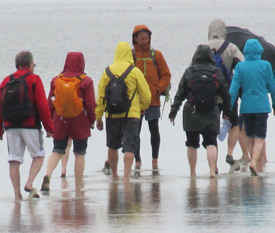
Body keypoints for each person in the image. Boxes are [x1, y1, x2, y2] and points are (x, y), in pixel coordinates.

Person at [0, 50, 54, 201]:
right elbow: (42, 106)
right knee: (38, 156)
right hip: (30, 124)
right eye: (34, 64)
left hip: (11, 126)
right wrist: (49, 128)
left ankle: (17, 195)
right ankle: (30, 183)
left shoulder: (6, 81)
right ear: (30, 64)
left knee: (14, 160)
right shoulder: (34, 79)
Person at [169, 44, 231, 179]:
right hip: (211, 111)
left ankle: (192, 172)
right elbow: (226, 94)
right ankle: (211, 171)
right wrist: (227, 112)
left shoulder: (190, 71)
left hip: (192, 112)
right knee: (211, 142)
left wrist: (173, 111)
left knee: (191, 144)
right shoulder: (216, 72)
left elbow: (180, 93)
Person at [95, 41, 152, 183]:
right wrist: (143, 106)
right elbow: (147, 95)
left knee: (112, 145)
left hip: (112, 114)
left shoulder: (107, 71)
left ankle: (115, 175)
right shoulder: (135, 71)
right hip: (131, 114)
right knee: (129, 146)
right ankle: (126, 176)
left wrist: (98, 117)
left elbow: (101, 97)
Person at [41, 52, 96, 196]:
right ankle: (78, 189)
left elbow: (50, 103)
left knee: (57, 150)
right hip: (80, 121)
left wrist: (51, 122)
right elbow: (90, 105)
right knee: (80, 153)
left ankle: (47, 174)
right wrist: (92, 120)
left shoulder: (56, 80)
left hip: (60, 120)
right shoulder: (86, 81)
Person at [229, 38, 275, 176]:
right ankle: (254, 163)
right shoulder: (266, 65)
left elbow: (233, 90)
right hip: (262, 107)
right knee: (260, 138)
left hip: (246, 108)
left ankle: (253, 161)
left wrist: (228, 107)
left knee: (250, 137)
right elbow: (273, 88)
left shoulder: (240, 66)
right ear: (260, 51)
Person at [130, 24, 171, 174]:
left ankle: (155, 160)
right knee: (136, 131)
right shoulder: (132, 55)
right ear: (134, 39)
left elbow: (166, 75)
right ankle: (137, 160)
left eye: (146, 38)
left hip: (153, 100)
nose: (144, 41)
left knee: (154, 130)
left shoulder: (156, 55)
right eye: (141, 39)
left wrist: (158, 89)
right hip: (136, 102)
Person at [208, 18, 247, 171]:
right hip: (228, 93)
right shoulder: (231, 47)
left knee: (213, 128)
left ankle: (214, 165)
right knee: (234, 124)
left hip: (209, 94)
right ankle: (230, 153)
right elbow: (242, 66)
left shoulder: (202, 47)